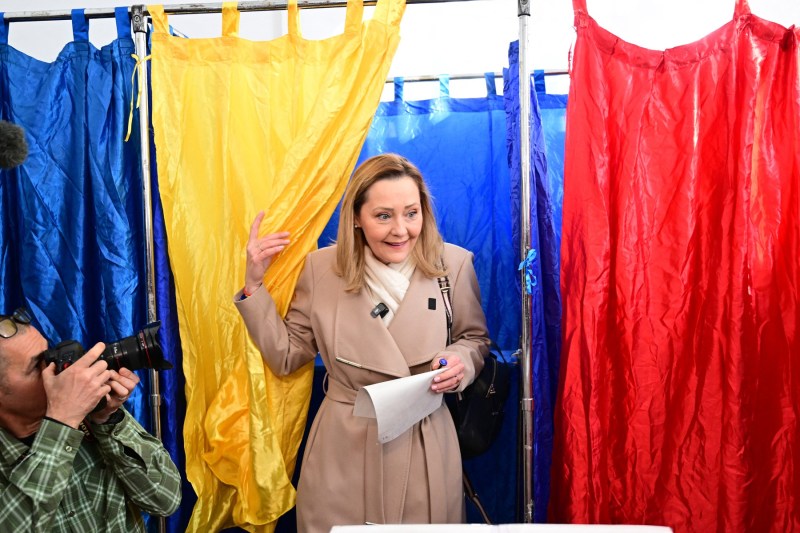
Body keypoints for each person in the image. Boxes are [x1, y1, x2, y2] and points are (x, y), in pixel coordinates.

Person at [235, 153, 490, 531]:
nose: (401, 230)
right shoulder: (320, 269)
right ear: (356, 216)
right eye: (383, 216)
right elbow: (287, 355)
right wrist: (254, 286)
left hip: (424, 439)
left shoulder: (452, 264)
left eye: (411, 213)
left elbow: (474, 339)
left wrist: (461, 363)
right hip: (344, 444)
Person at [0, 307, 182, 532]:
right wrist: (62, 422)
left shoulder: (89, 413)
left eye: (48, 353)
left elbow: (165, 499)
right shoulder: (70, 413)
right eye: (36, 366)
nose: (55, 369)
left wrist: (108, 419)